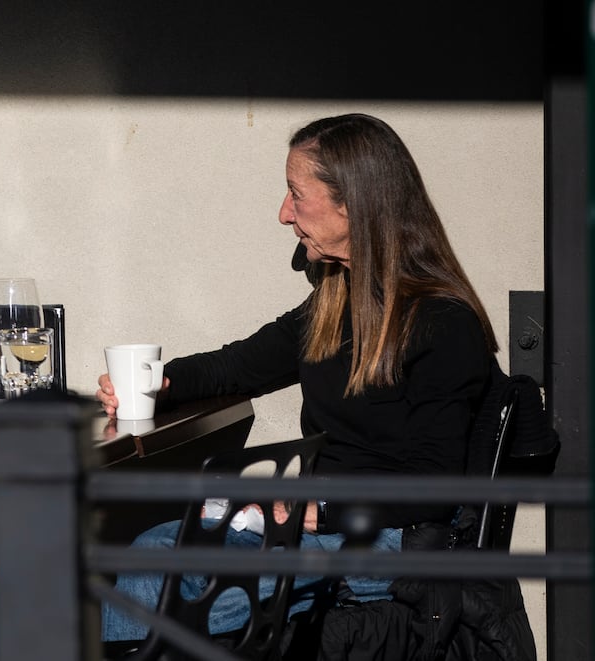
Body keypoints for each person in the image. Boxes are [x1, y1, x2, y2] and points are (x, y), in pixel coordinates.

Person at [97, 113, 499, 639]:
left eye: (296, 194)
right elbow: (239, 364)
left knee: (172, 585)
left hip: (393, 537)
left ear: (353, 205)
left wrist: (324, 508)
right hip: (326, 523)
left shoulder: (442, 323)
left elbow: (435, 485)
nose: (284, 213)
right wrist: (162, 380)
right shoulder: (336, 302)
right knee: (153, 552)